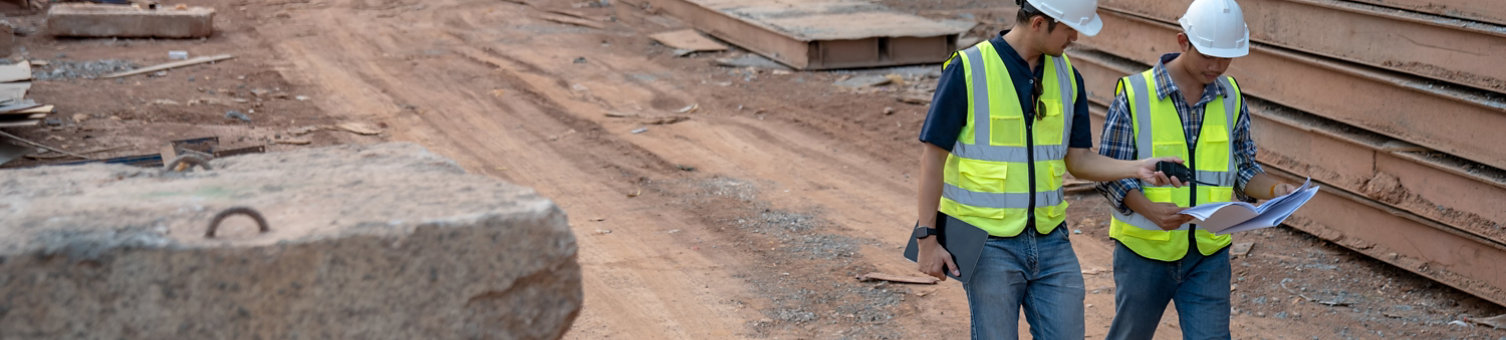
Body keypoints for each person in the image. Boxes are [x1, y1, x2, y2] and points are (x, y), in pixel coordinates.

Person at [912, 0, 1183, 338]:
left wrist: (1138, 168)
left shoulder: (1068, 76)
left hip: (1052, 240)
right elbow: (932, 159)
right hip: (988, 244)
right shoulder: (968, 69)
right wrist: (927, 238)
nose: (1075, 38)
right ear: (1039, 23)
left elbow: (1078, 159)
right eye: (1070, 29)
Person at [1094, 0, 1297, 338]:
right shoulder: (1135, 94)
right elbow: (1111, 176)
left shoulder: (1230, 97)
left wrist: (1277, 191)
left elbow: (1244, 170)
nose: (1217, 65)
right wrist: (1149, 210)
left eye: (1226, 57)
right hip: (1145, 253)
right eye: (1208, 54)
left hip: (1208, 255)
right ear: (1182, 41)